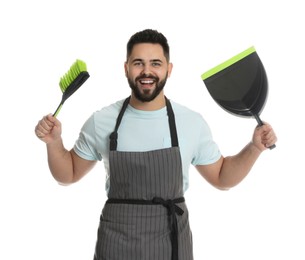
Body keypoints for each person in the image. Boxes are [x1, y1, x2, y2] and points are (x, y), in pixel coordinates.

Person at [34, 29, 277, 260]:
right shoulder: (101, 121)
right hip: (116, 244)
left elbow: (222, 178)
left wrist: (254, 147)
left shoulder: (191, 122)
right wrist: (53, 142)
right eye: (138, 63)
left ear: (169, 69)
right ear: (126, 68)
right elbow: (68, 174)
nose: (146, 71)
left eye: (156, 63)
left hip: (171, 242)